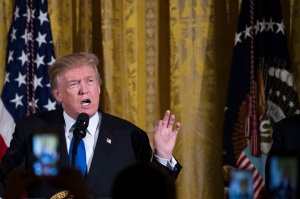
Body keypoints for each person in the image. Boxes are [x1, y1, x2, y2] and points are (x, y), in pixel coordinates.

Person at [0, 52, 182, 198]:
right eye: (74, 83)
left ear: (99, 88)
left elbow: (151, 192)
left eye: (90, 81)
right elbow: (5, 181)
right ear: (58, 95)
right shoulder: (34, 129)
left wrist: (163, 156)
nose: (84, 89)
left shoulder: (129, 136)